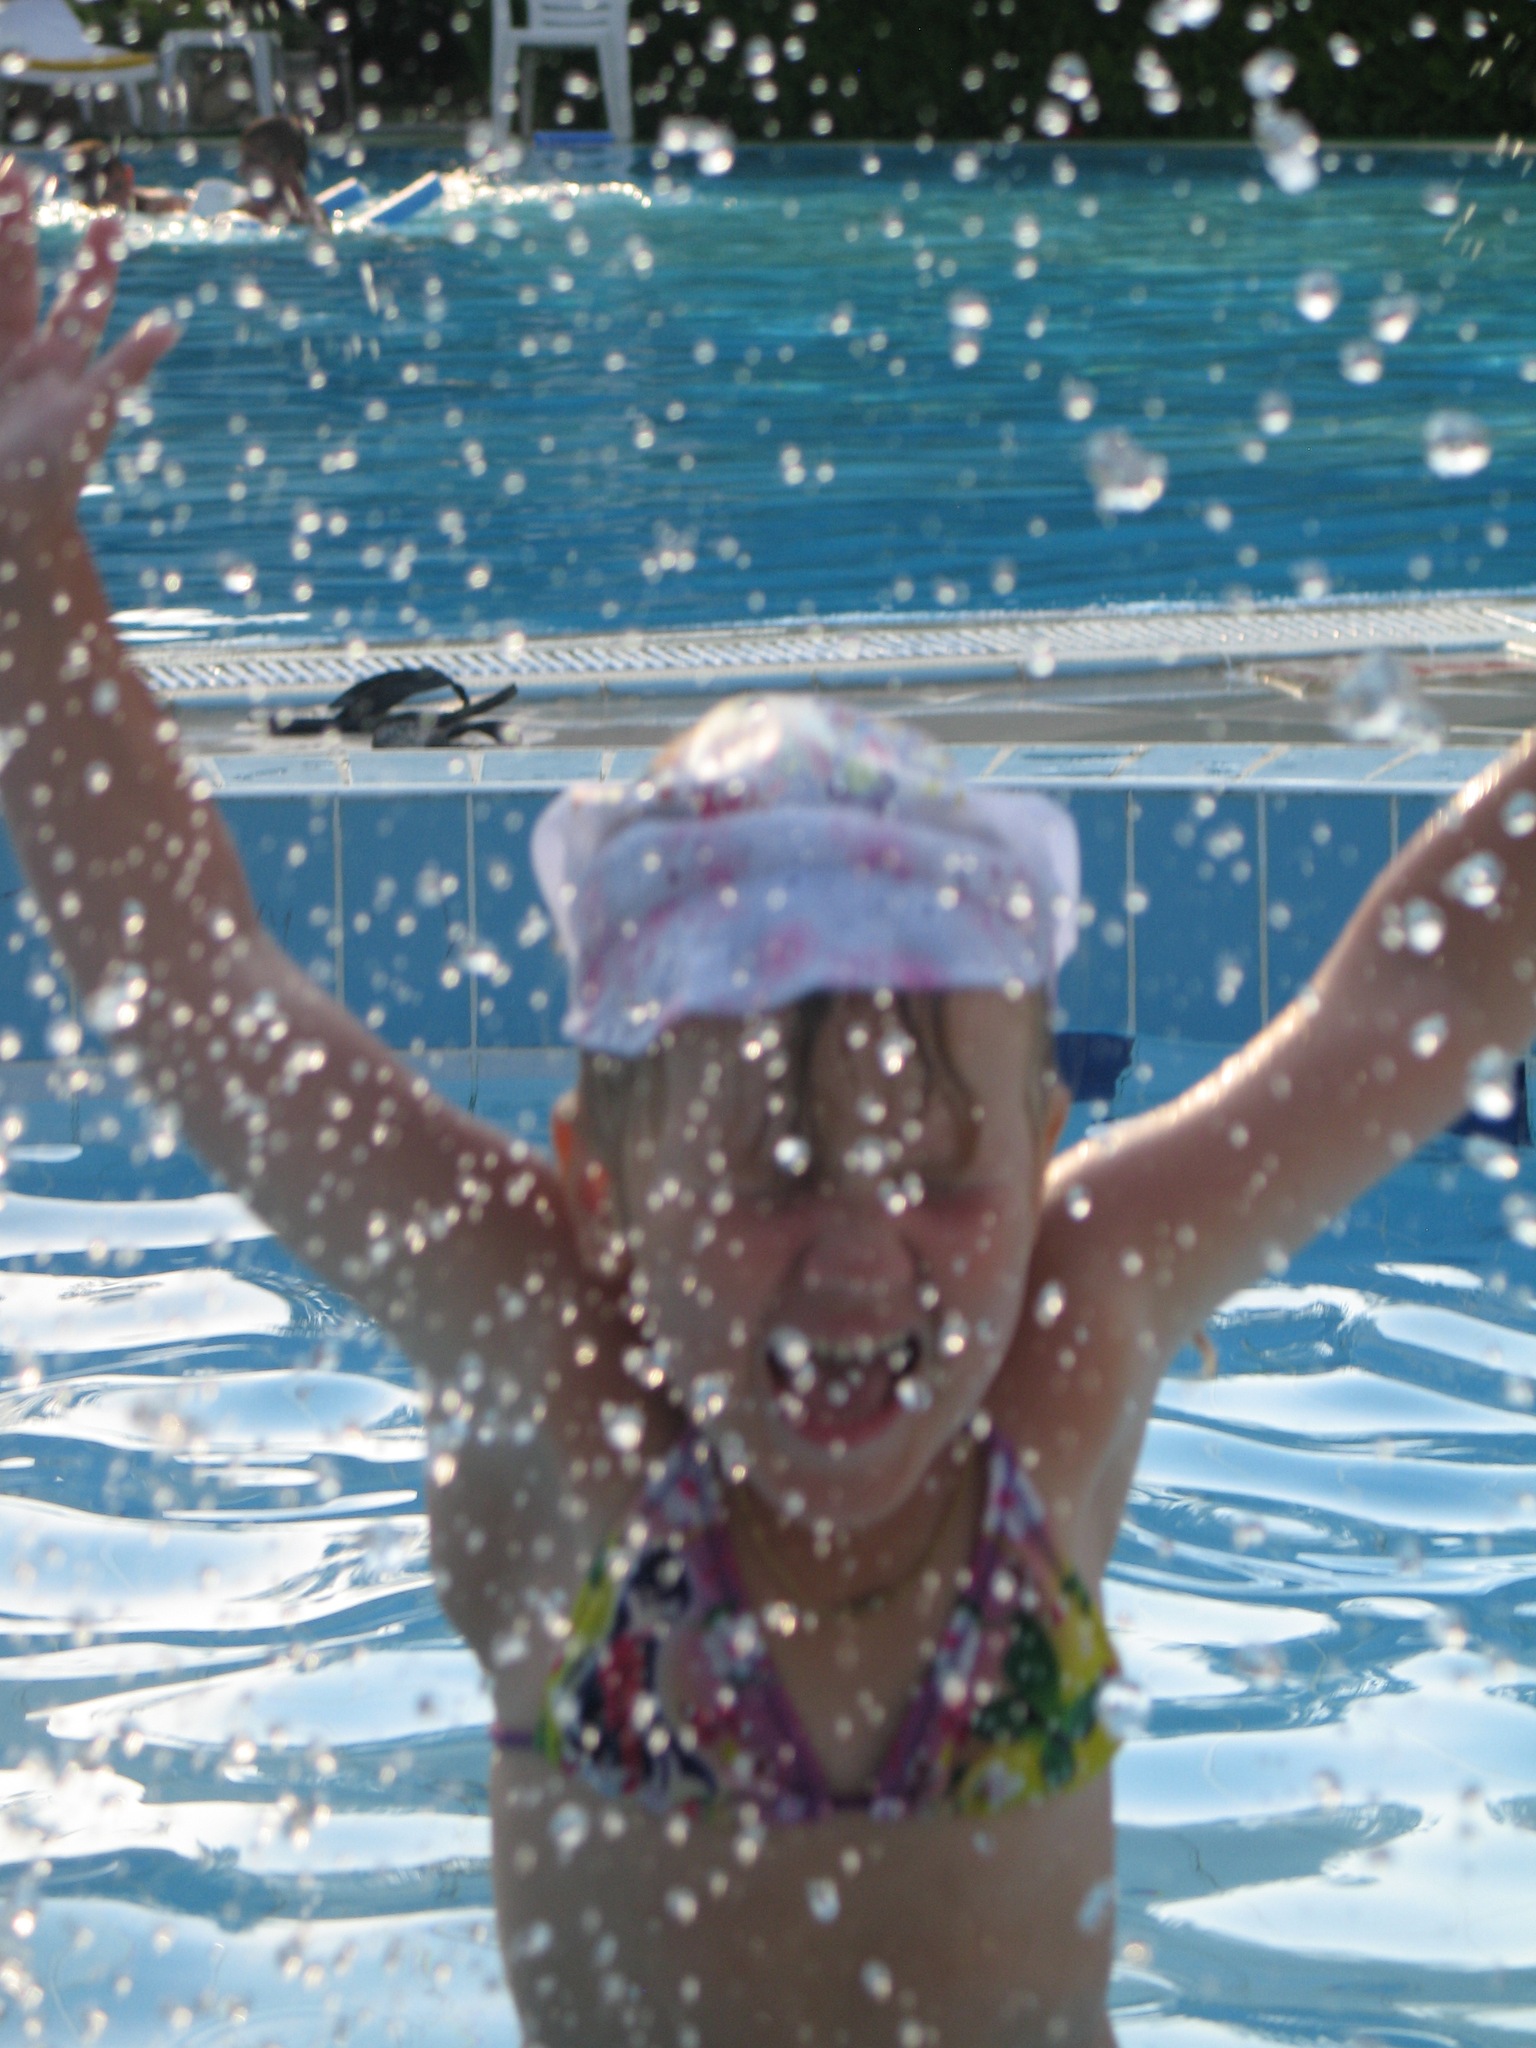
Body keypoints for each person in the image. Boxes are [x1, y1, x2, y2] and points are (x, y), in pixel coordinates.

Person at [2, 162, 1534, 2046]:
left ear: (1046, 1146)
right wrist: (26, 545)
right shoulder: (564, 1379)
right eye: (772, 1173)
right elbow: (196, 992)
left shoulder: (1069, 1337)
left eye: (944, 1167)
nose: (862, 1256)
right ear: (596, 1184)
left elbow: (1431, 987)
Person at [233, 112, 328, 229]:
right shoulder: (243, 213)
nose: (241, 171)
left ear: (287, 165)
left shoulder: (310, 218)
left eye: (253, 160)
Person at [65, 139, 188, 216]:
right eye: (103, 195)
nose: (115, 200)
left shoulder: (157, 205)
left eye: (118, 187)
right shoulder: (75, 214)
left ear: (129, 175)